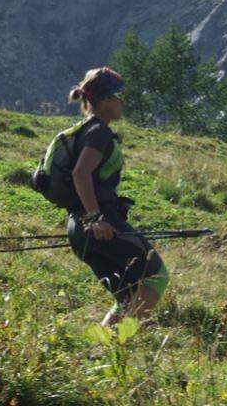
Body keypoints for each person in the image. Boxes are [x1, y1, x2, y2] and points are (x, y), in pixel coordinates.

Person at [66, 66, 169, 327]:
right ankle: (122, 344)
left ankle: (105, 349)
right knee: (156, 276)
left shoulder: (84, 130)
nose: (123, 101)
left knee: (127, 297)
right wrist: (97, 218)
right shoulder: (98, 132)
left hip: (79, 230)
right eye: (119, 94)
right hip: (101, 227)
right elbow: (81, 174)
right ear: (103, 100)